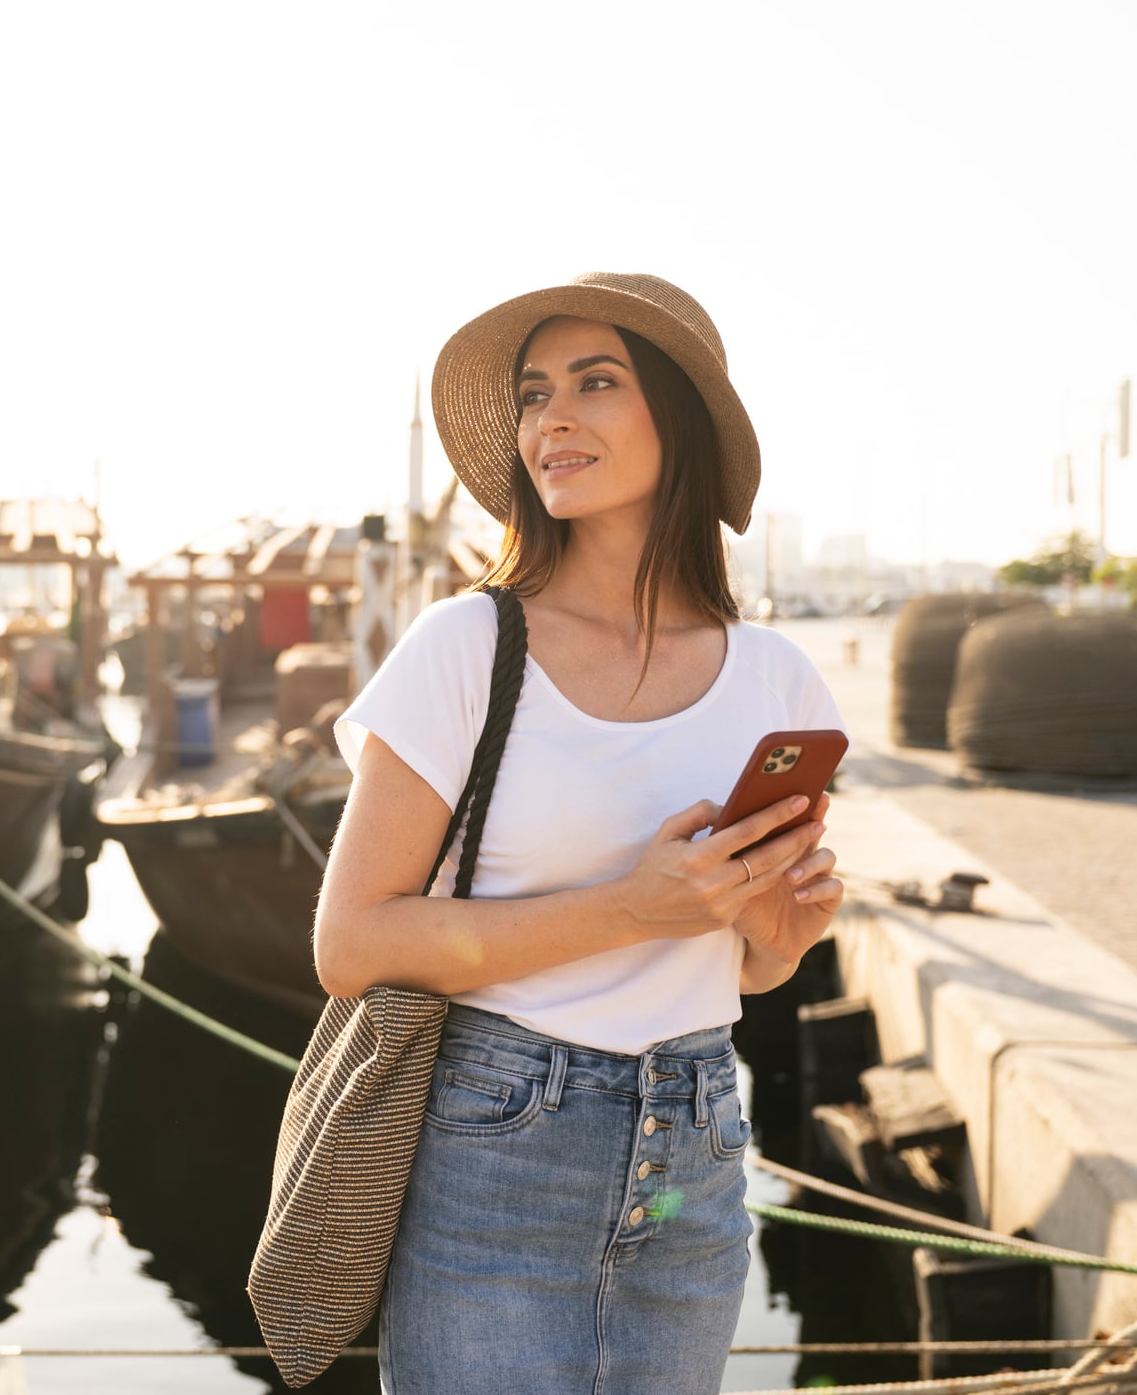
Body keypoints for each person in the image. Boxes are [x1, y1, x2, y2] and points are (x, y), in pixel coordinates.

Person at [311, 273, 845, 1394]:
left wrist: (776, 939)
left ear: (680, 419)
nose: (551, 417)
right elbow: (351, 943)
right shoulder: (467, 644)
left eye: (596, 383)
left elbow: (743, 962)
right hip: (498, 1144)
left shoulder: (779, 681)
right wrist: (628, 908)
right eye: (535, 393)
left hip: (694, 1153)